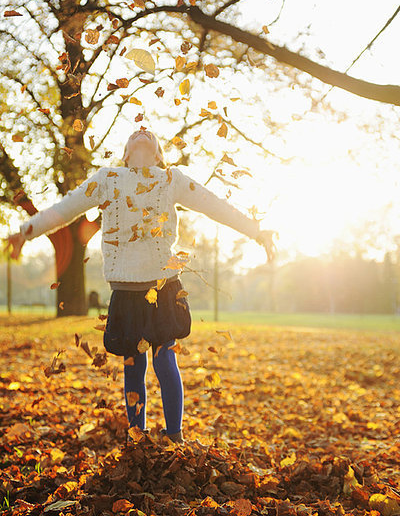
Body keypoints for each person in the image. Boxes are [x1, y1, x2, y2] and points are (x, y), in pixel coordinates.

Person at [5, 127, 277, 444]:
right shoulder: (108, 179)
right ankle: (138, 438)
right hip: (126, 291)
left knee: (165, 358)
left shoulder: (170, 179)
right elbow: (65, 209)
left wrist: (256, 231)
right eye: (134, 134)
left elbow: (212, 204)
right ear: (125, 154)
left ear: (159, 155)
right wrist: (26, 231)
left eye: (149, 134)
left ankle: (175, 436)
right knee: (133, 364)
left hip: (164, 285)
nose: (142, 131)